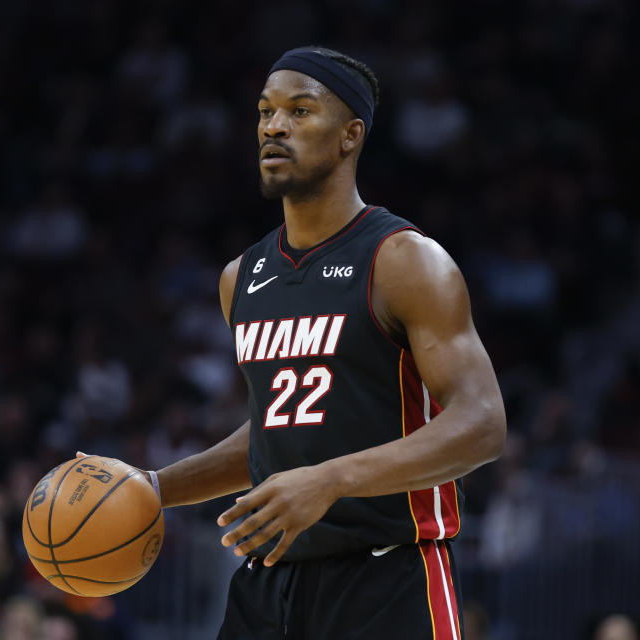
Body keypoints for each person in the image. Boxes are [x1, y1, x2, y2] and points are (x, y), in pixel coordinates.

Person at [81, 45, 505, 639]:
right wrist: (153, 488)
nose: (274, 126)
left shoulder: (406, 261)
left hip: (387, 578)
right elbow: (276, 429)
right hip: (268, 586)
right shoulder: (242, 278)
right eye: (265, 112)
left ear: (350, 135)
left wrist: (331, 479)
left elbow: (482, 423)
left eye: (300, 112)